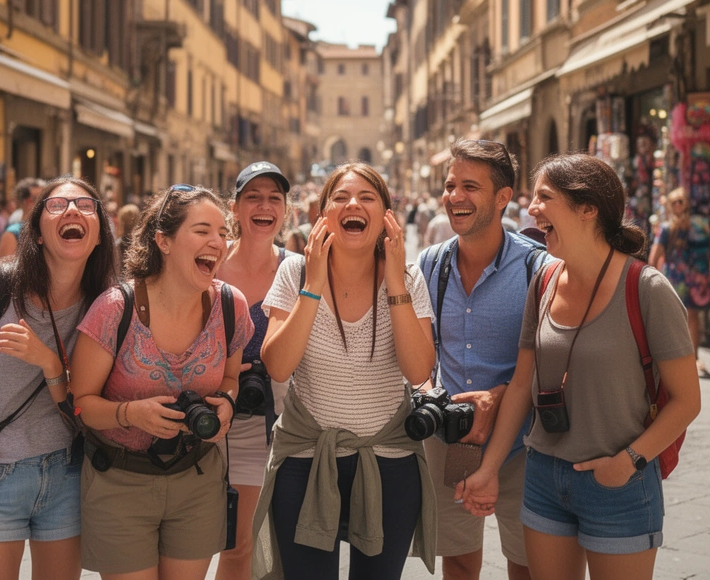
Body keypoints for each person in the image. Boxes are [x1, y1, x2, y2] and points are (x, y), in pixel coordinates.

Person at [458, 154, 701, 580]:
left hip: (620, 481)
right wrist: (490, 468)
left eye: (544, 198)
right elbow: (520, 386)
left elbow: (687, 401)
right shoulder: (545, 280)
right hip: (543, 477)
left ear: (587, 208)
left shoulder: (647, 288)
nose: (531, 209)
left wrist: (628, 462)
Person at [253, 163, 437, 580]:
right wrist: (313, 286)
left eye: (367, 197)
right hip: (305, 458)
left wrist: (395, 285)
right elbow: (278, 366)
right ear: (322, 215)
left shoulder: (408, 277)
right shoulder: (294, 271)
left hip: (389, 459)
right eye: (341, 197)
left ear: (387, 215)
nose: (353, 204)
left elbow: (417, 369)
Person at [0, 176, 114, 579]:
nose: (72, 211)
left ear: (99, 234)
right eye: (57, 205)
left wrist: (48, 361)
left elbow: (88, 394)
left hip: (68, 471)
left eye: (86, 206)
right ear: (38, 234)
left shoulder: (107, 303)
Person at [70, 184, 252, 580]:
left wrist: (227, 401)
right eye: (203, 230)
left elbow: (231, 377)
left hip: (198, 479)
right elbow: (80, 403)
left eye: (223, 233)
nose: (217, 242)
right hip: (120, 484)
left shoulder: (230, 305)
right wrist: (129, 414)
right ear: (163, 241)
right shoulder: (115, 308)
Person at [418, 141, 545, 580]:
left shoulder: (538, 270)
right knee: (457, 561)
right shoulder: (430, 266)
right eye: (450, 185)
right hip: (452, 443)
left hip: (525, 446)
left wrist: (499, 397)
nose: (455, 196)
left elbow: (558, 363)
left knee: (527, 565)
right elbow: (421, 355)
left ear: (503, 197)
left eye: (470, 186)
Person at [216, 162, 292, 580]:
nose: (264, 206)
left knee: (287, 545)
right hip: (233, 427)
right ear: (235, 208)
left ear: (286, 210)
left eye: (274, 199)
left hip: (294, 422)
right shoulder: (209, 267)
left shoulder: (299, 268)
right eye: (253, 197)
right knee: (238, 544)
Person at [648, 187, 710, 377]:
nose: (678, 205)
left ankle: (693, 357)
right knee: (674, 317)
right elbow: (655, 254)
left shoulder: (700, 224)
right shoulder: (667, 227)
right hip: (676, 277)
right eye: (674, 202)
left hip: (694, 277)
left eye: (681, 201)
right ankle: (672, 357)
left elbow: (709, 249)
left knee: (692, 316)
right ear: (670, 206)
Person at [0, 178, 47, 258]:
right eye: (36, 199)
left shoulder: (46, 229)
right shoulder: (12, 233)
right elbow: (6, 268)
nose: (41, 204)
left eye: (44, 199)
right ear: (25, 201)